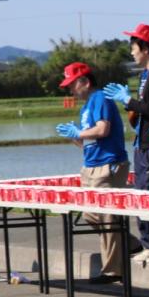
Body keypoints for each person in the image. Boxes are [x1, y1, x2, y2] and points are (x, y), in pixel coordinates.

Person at [103, 22, 149, 262]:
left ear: (145, 47)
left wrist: (128, 100)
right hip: (142, 143)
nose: (131, 52)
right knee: (142, 193)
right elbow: (143, 109)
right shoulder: (147, 73)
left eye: (134, 47)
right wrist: (130, 104)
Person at [54, 61, 130, 284]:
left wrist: (81, 132)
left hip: (108, 165)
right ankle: (128, 243)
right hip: (90, 166)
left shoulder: (100, 99)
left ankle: (112, 270)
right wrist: (75, 136)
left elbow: (103, 129)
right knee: (89, 213)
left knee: (107, 216)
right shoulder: (85, 106)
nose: (70, 89)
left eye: (72, 84)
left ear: (85, 81)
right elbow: (88, 141)